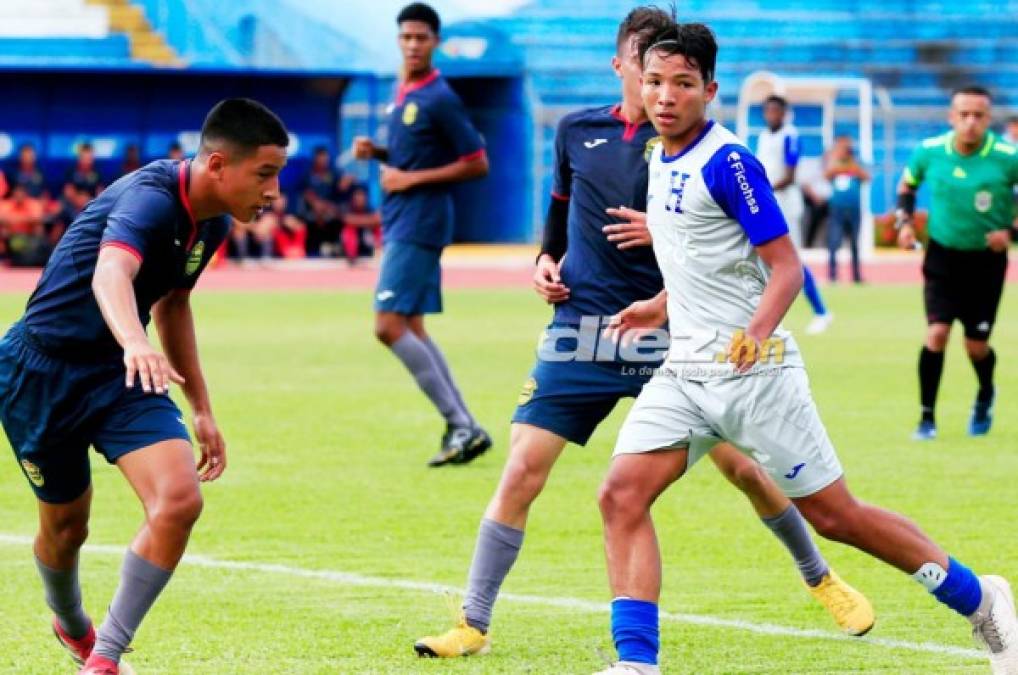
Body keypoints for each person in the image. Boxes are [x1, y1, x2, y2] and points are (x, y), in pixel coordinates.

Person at [413, 7, 872, 660]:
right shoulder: (578, 131)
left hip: (677, 334)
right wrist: (545, 260)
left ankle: (820, 576)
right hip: (583, 331)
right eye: (645, 65)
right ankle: (473, 622)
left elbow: (741, 239)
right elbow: (559, 210)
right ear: (622, 64)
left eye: (673, 74)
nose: (659, 85)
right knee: (520, 470)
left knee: (746, 469)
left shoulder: (691, 145)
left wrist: (666, 234)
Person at [594, 23, 1017, 675]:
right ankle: (637, 664)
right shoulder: (658, 154)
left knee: (836, 516)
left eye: (682, 84)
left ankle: (980, 597)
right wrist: (659, 304)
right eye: (654, 82)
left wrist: (755, 333)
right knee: (621, 493)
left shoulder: (730, 161)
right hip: (685, 372)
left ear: (710, 89)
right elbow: (699, 259)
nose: (665, 96)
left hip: (755, 372)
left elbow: (787, 267)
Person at [0, 98, 288, 674]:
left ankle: (104, 659)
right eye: (264, 173)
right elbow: (113, 271)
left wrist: (201, 408)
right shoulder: (150, 199)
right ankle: (73, 624)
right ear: (216, 165)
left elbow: (174, 301)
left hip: (121, 373)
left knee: (179, 500)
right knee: (65, 528)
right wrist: (136, 339)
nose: (273, 191)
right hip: (41, 372)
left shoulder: (210, 221)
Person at [352, 2, 492, 466]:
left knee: (387, 325)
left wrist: (409, 180)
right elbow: (413, 152)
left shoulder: (439, 97)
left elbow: (476, 161)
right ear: (399, 40)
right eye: (406, 37)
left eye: (421, 38)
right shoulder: (403, 91)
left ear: (435, 42)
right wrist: (379, 152)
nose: (413, 45)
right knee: (410, 326)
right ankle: (463, 425)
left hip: (420, 221)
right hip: (402, 220)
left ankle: (463, 424)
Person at [896, 86, 1018, 441]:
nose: (970, 122)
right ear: (952, 117)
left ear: (988, 118)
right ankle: (926, 419)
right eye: (963, 115)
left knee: (975, 346)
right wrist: (905, 224)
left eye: (978, 115)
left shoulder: (1007, 156)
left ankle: (985, 394)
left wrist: (1009, 232)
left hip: (986, 263)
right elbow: (907, 187)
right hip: (943, 257)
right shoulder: (930, 152)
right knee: (937, 334)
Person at [758, 95, 833, 334]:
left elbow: (790, 177)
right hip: (768, 204)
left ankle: (821, 312)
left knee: (791, 260)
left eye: (776, 111)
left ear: (784, 112)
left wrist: (762, 191)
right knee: (763, 259)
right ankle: (765, 317)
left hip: (786, 205)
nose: (771, 115)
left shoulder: (790, 135)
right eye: (768, 110)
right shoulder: (763, 136)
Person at [824, 136, 869, 283]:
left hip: (854, 209)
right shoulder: (833, 161)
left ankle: (856, 276)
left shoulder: (856, 162)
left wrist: (851, 164)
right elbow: (827, 174)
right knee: (834, 242)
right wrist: (837, 160)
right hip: (837, 209)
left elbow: (866, 176)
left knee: (855, 243)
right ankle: (832, 276)